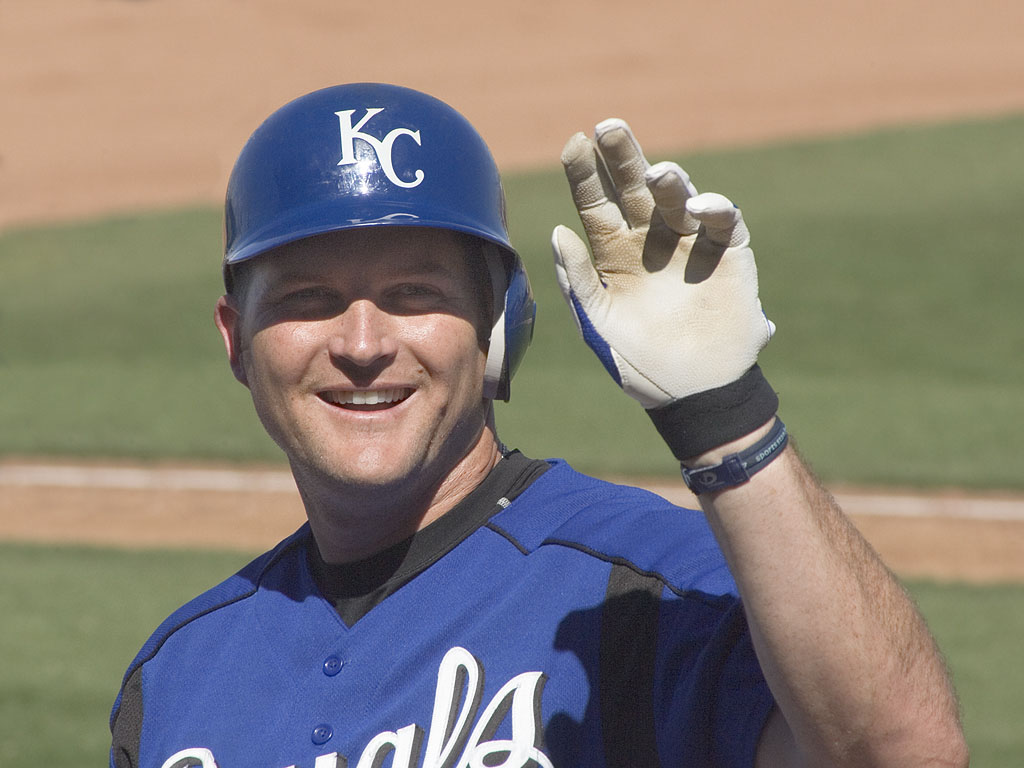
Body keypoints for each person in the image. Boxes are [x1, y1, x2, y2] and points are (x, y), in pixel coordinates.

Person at [109, 82, 968, 768]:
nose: (363, 344)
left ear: (497, 325)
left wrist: (725, 416)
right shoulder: (180, 677)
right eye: (308, 301)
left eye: (417, 293)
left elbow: (900, 755)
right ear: (235, 340)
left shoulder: (637, 596)